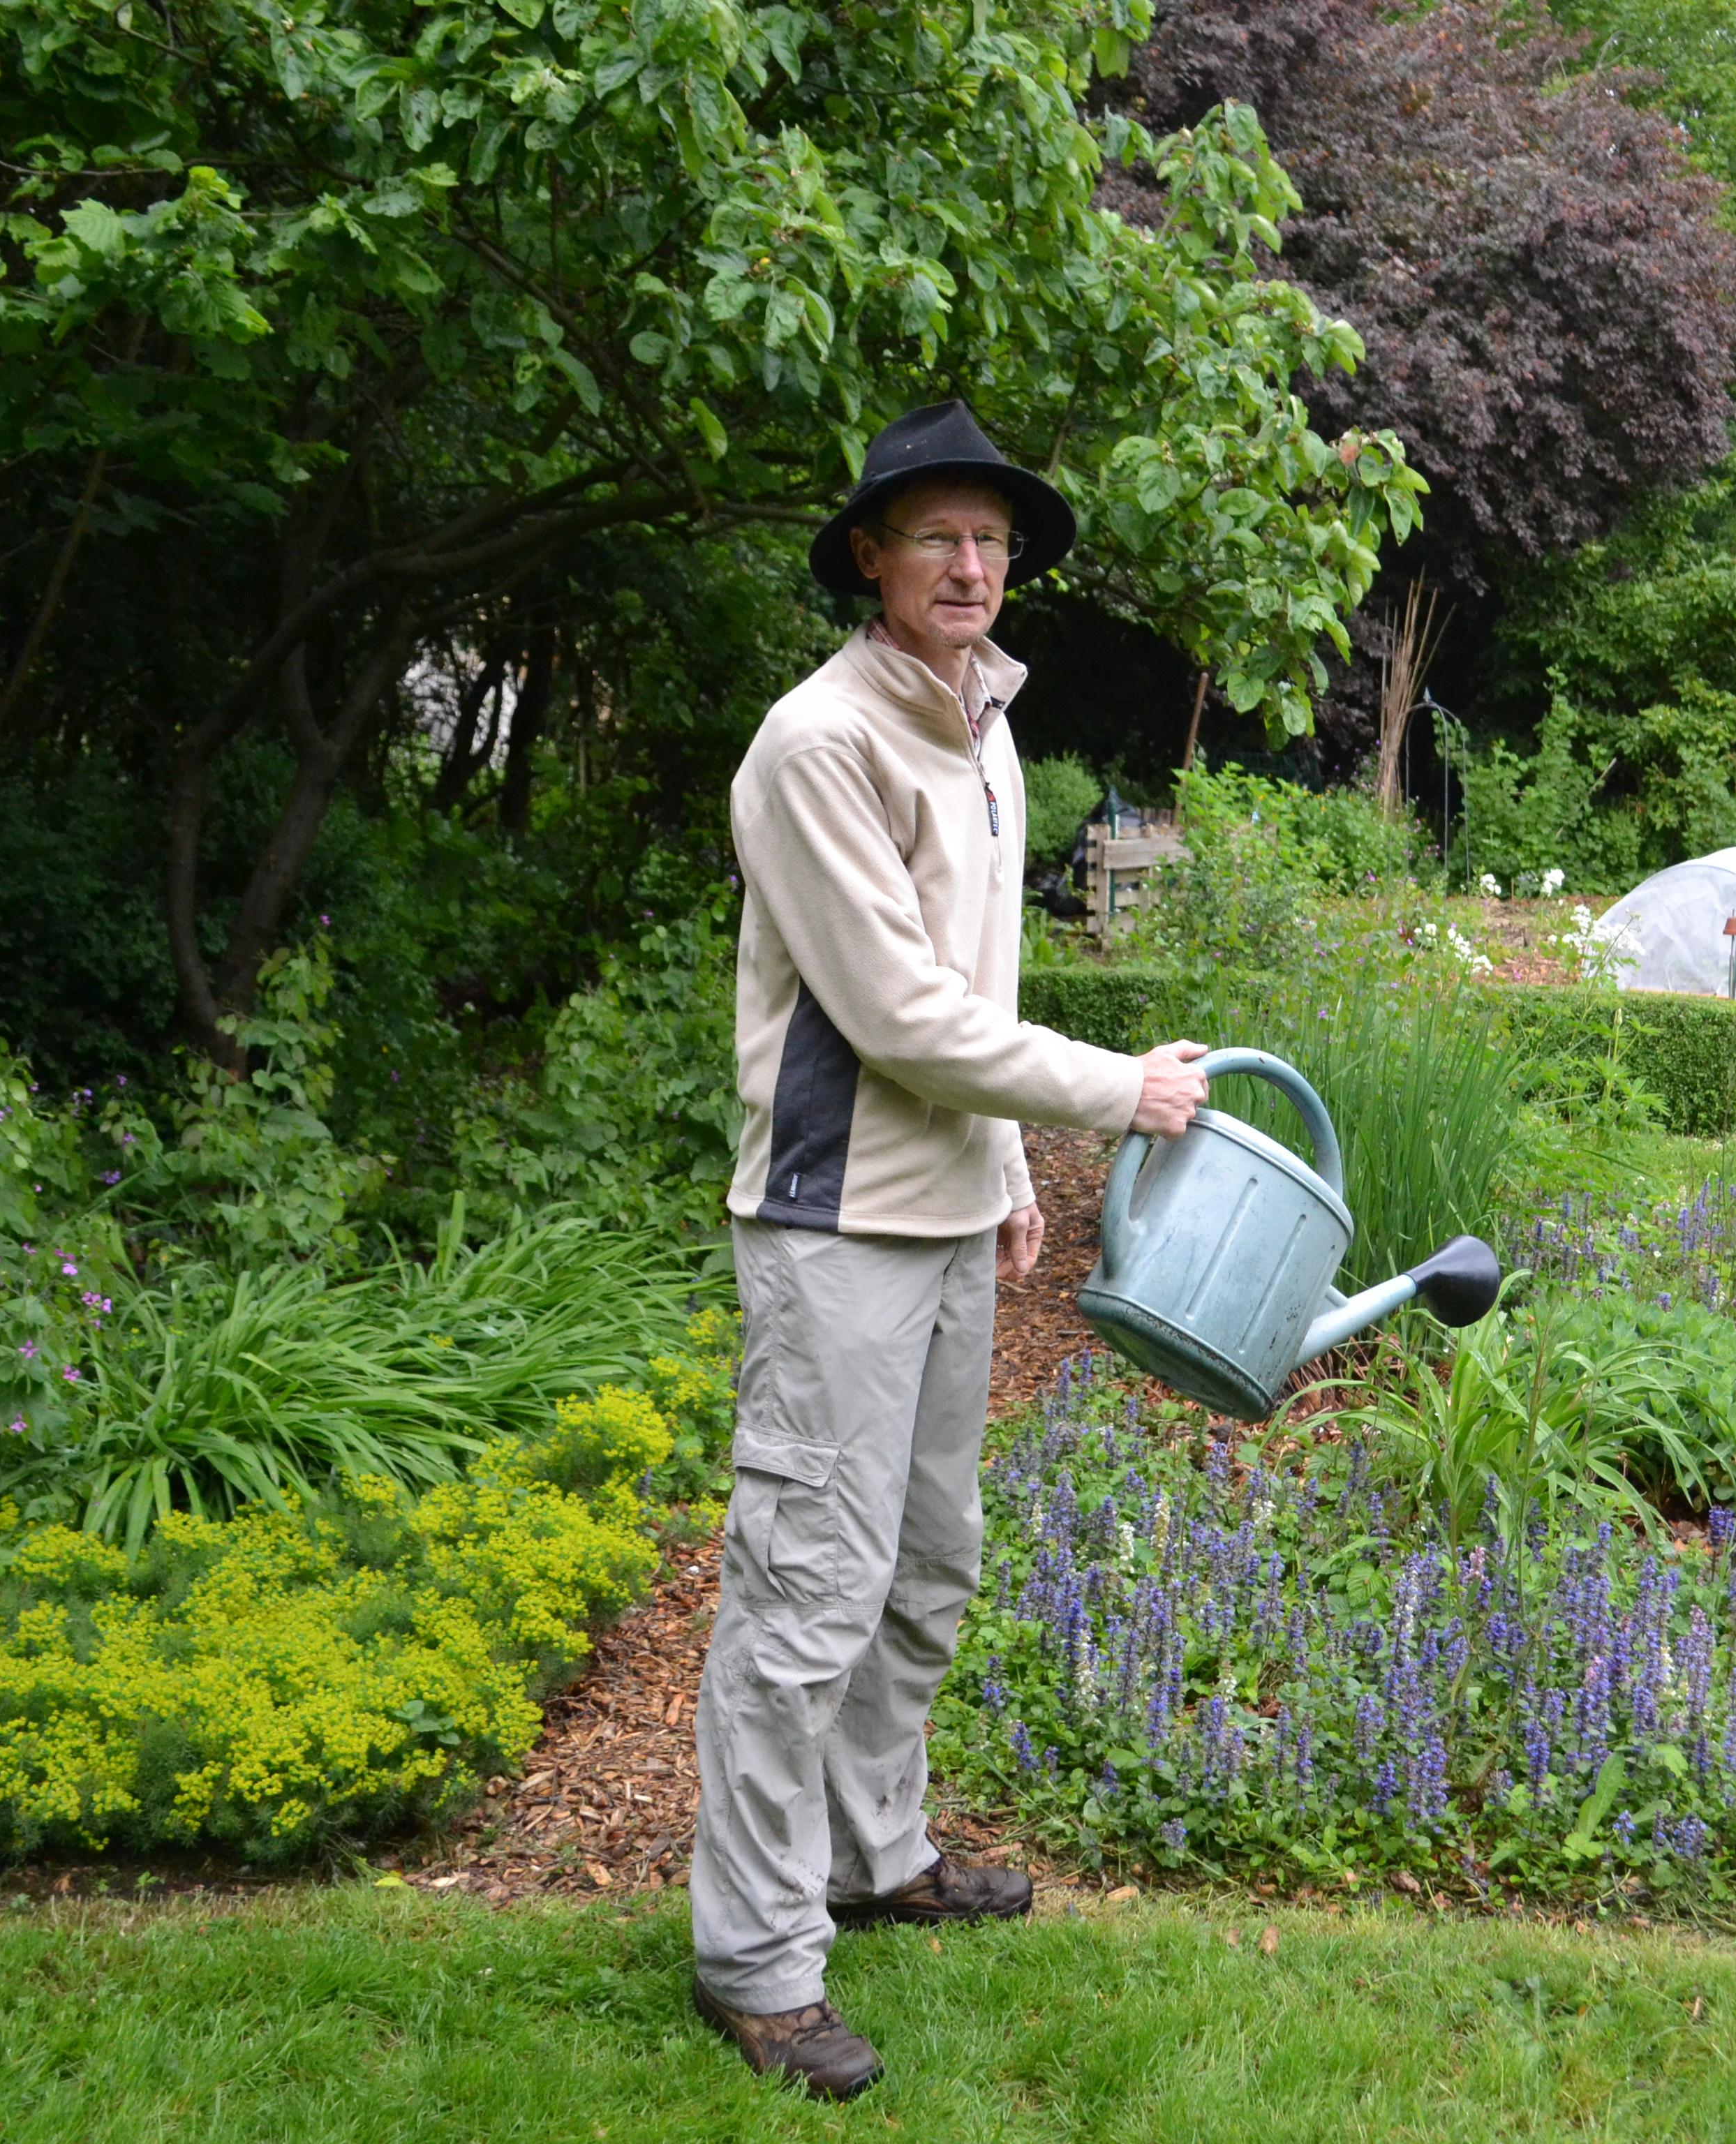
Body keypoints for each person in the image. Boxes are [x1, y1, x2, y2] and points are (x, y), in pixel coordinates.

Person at [690, 399, 1212, 2099]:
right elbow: (903, 1017)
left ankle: (874, 1854)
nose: (971, 566)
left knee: (926, 1571)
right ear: (871, 558)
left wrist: (1003, 1171)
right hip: (835, 1226)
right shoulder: (818, 744)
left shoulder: (982, 729)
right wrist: (1109, 1096)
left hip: (941, 1216)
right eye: (936, 538)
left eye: (989, 540)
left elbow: (967, 997)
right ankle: (757, 1961)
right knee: (804, 1596)